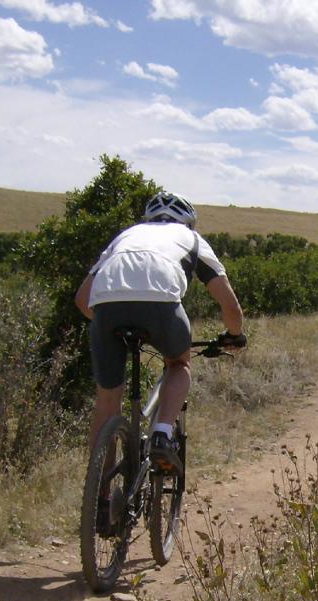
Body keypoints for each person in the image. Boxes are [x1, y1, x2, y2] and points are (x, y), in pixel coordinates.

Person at [74, 191, 245, 474]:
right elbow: (229, 303)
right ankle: (162, 434)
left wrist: (117, 324)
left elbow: (82, 299)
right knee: (179, 364)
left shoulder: (126, 235)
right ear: (188, 222)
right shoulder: (192, 239)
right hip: (162, 305)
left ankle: (99, 504)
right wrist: (234, 334)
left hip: (105, 308)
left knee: (106, 402)